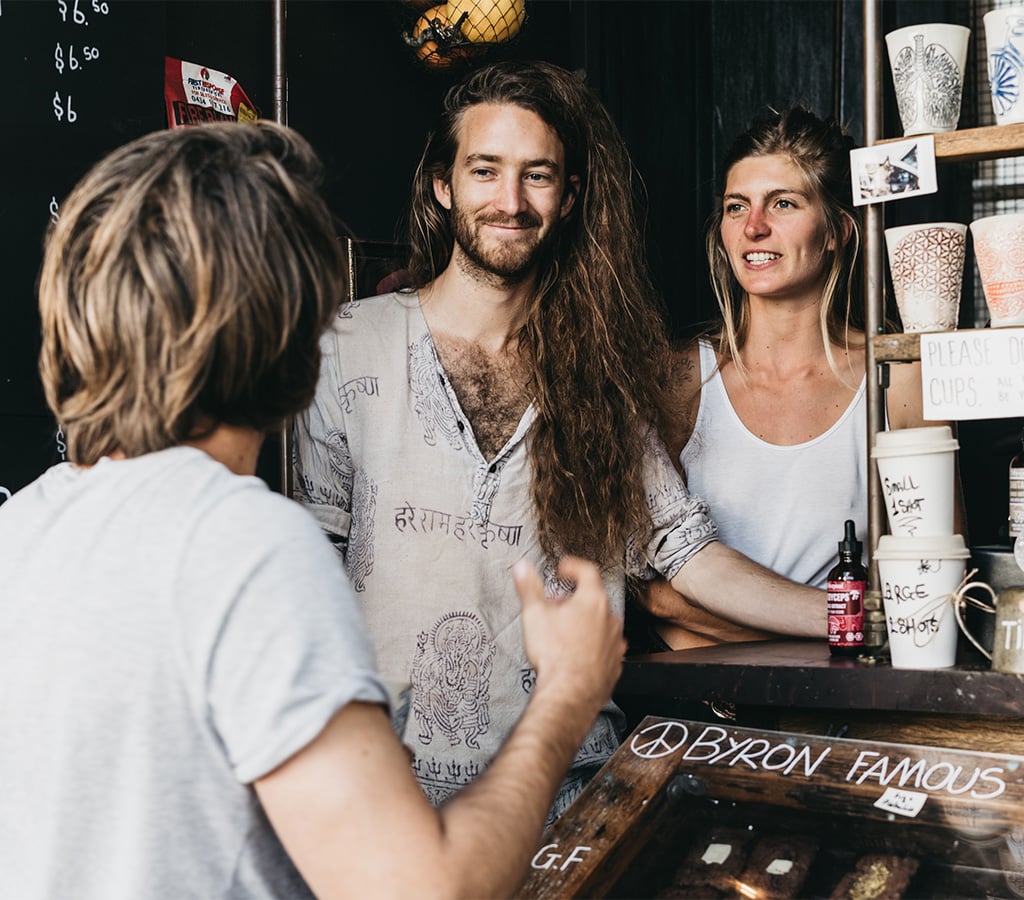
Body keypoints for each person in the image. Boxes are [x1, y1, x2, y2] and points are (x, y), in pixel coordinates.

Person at [0, 120, 627, 900]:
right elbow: (423, 891)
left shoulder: (18, 530)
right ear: (291, 335)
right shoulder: (242, 542)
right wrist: (569, 691)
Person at [292, 61, 832, 819]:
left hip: (560, 797)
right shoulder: (345, 346)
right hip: (383, 801)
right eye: (485, 170)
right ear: (443, 185)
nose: (509, 202)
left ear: (570, 197)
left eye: (537, 175)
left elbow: (688, 553)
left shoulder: (597, 377)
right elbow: (305, 569)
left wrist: (853, 616)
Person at [640, 105, 950, 650]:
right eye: (737, 206)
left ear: (837, 231)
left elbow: (935, 580)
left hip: (839, 704)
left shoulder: (898, 379)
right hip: (699, 712)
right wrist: (848, 622)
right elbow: (652, 592)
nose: (754, 226)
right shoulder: (680, 379)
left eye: (783, 203)